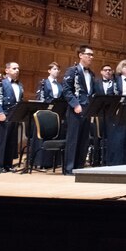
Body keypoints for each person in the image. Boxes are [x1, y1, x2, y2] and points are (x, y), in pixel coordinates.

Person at [62, 45, 96, 175]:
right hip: (75, 109)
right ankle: (69, 168)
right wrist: (75, 104)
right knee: (73, 139)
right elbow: (66, 90)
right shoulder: (72, 71)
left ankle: (79, 167)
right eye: (89, 54)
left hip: (87, 109)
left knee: (83, 139)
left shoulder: (91, 73)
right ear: (81, 55)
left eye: (92, 55)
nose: (91, 57)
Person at [0, 62, 23, 173]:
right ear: (7, 70)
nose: (17, 70)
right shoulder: (0, 83)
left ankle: (8, 164)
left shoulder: (19, 84)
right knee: (1, 141)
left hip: (14, 115)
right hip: (4, 114)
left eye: (18, 68)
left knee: (11, 141)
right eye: (14, 68)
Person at [31, 62, 63, 169]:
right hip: (44, 113)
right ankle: (40, 161)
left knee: (55, 136)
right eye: (54, 69)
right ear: (49, 71)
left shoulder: (60, 85)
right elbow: (40, 97)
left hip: (55, 113)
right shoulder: (43, 82)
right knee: (42, 136)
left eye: (58, 69)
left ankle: (52, 162)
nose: (56, 71)